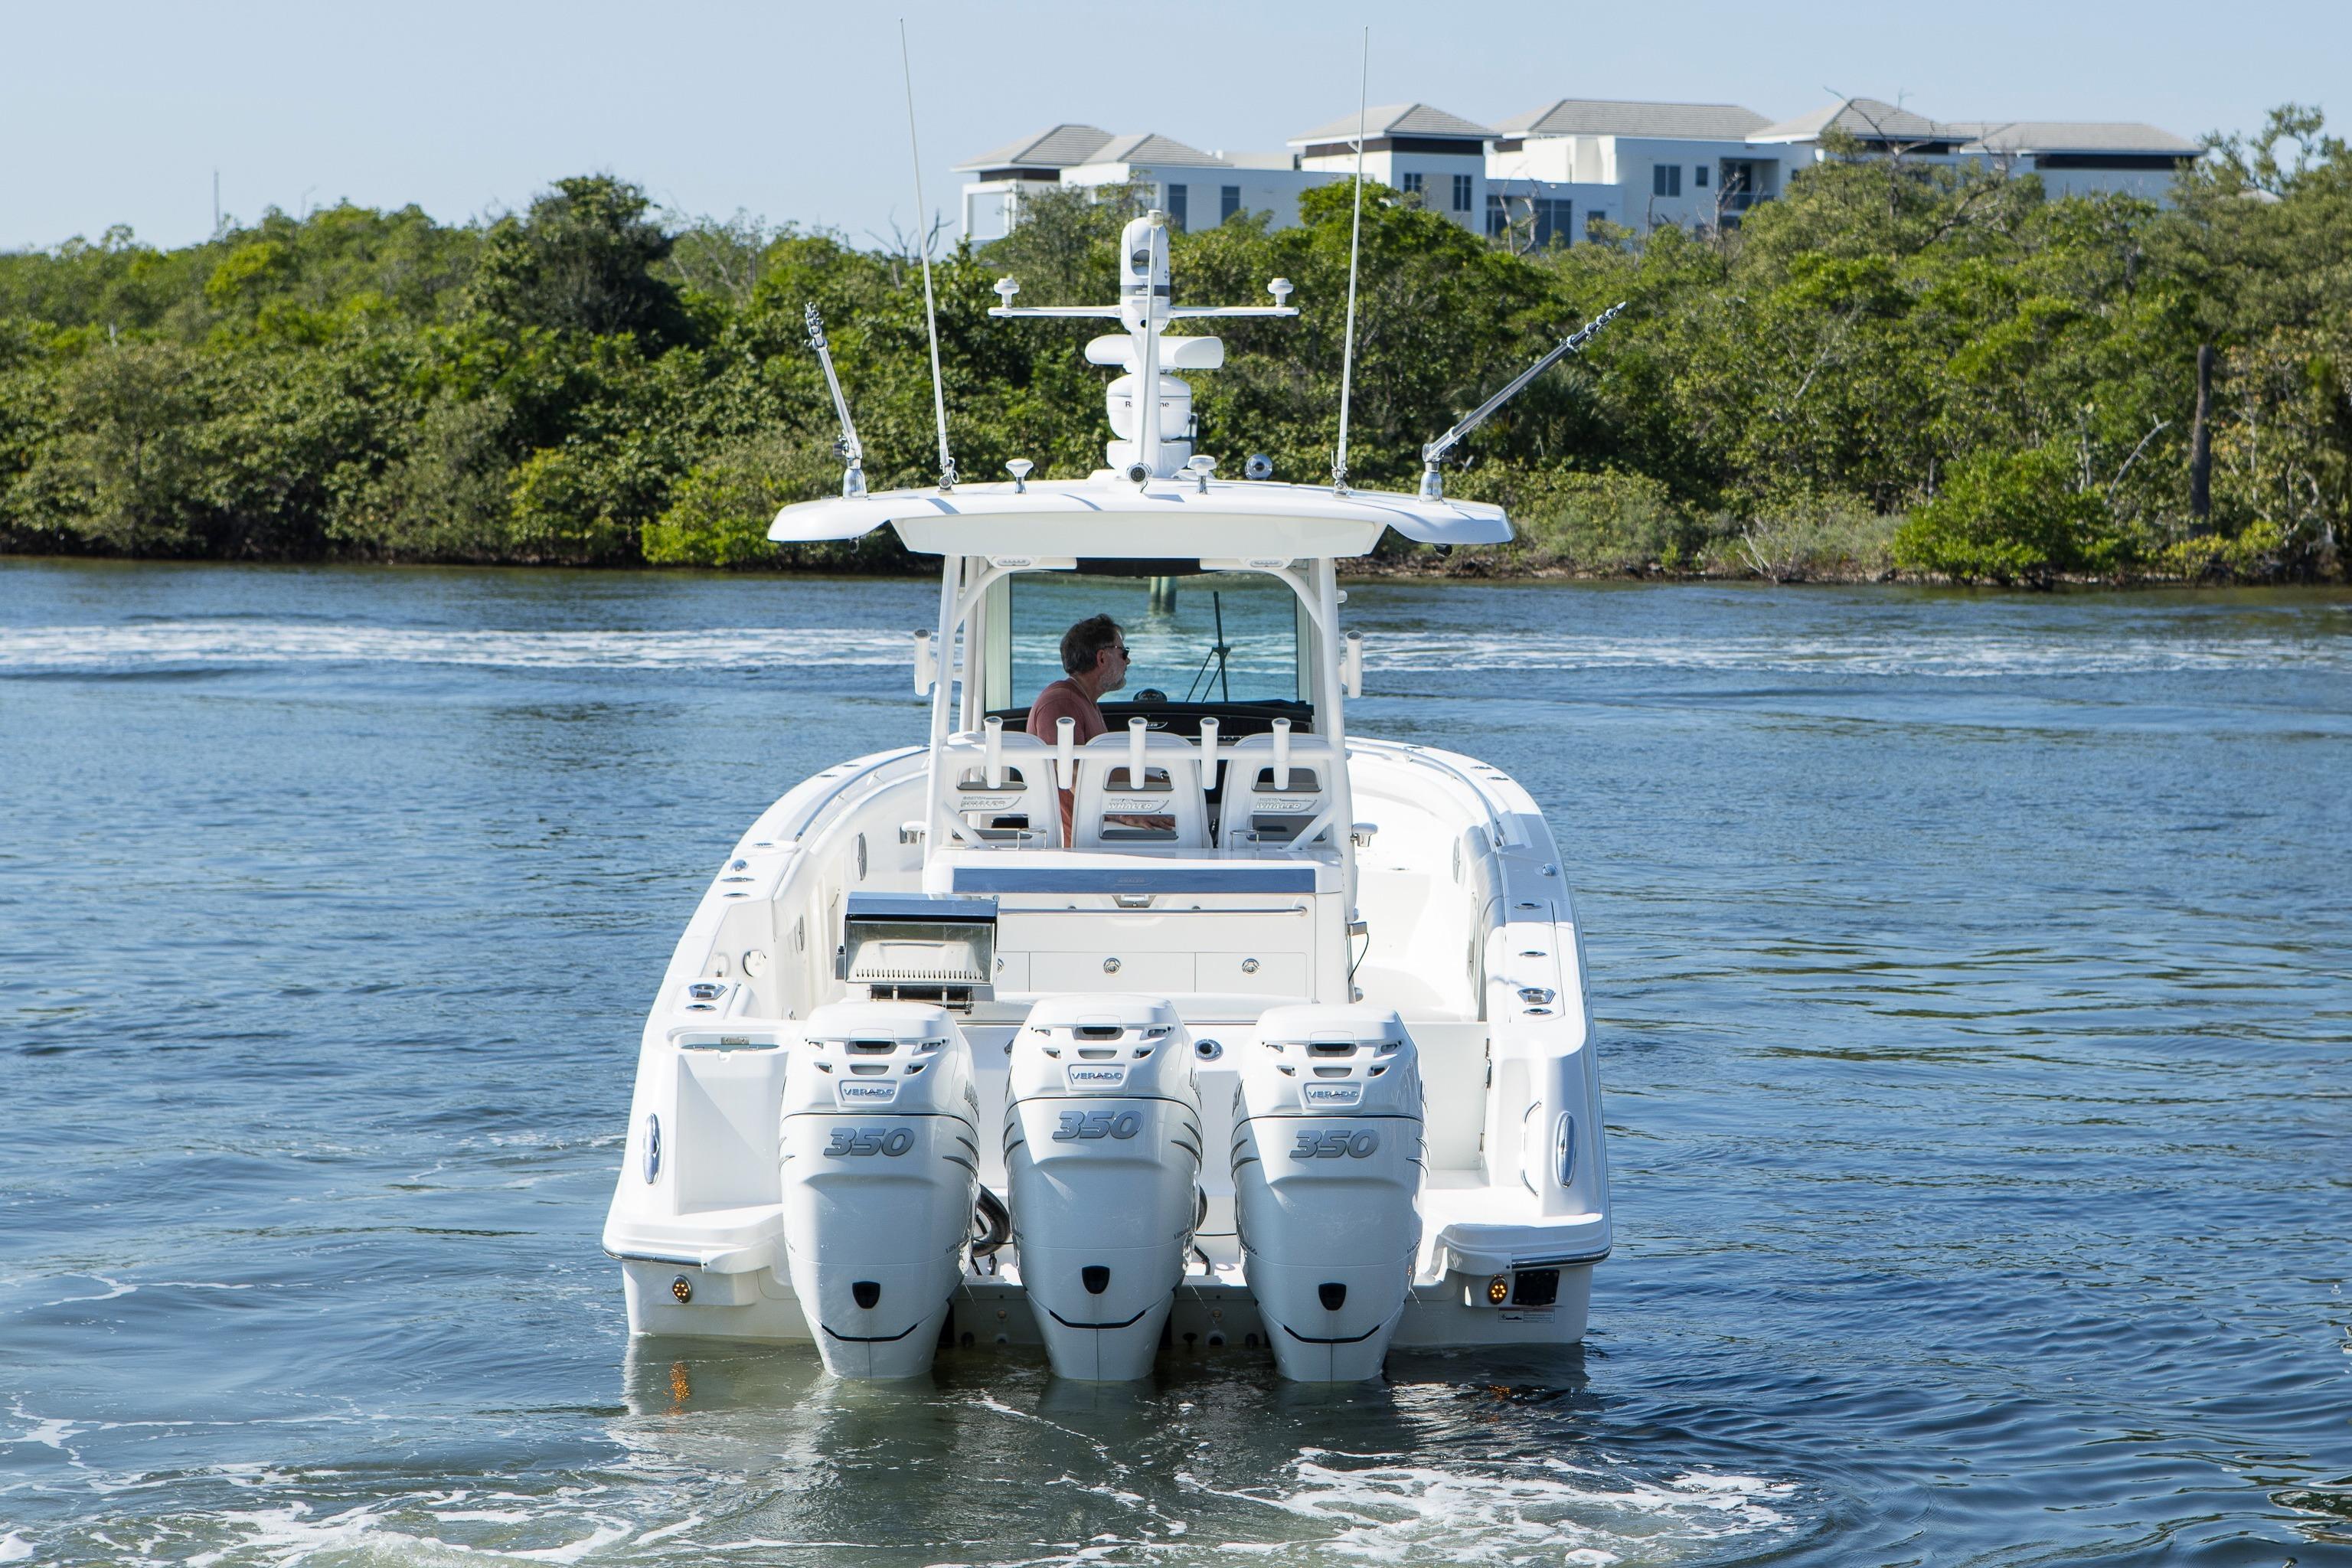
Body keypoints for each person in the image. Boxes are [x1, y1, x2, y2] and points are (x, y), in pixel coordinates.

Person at [1027, 614, 1168, 840]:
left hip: (1095, 827)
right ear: (1102, 658)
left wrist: (1166, 782)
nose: (1128, 662)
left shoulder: (1082, 700)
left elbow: (1100, 772)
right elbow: (1073, 776)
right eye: (1124, 653)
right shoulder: (1061, 703)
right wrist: (1123, 814)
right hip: (1076, 840)